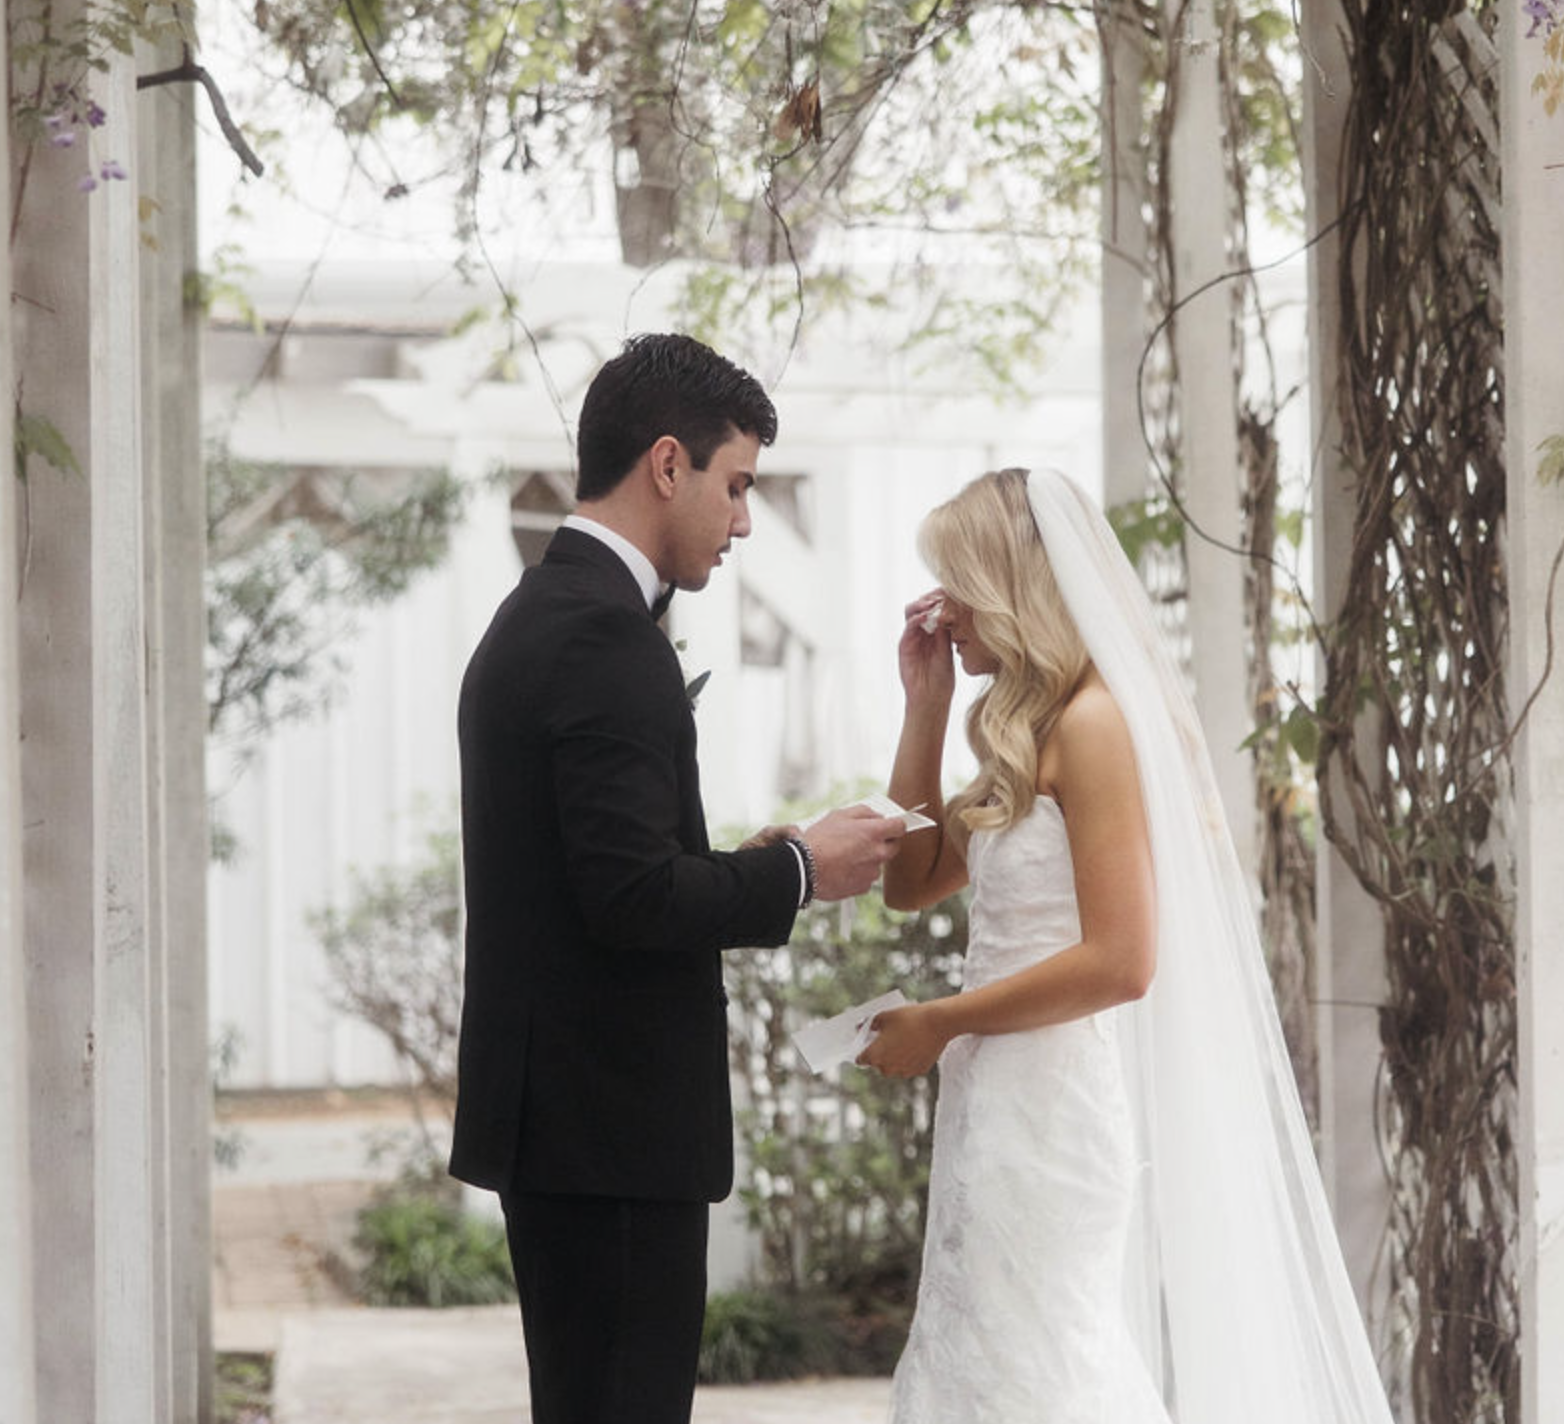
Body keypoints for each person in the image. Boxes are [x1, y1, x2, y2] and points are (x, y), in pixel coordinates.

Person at [859, 468, 1395, 1424]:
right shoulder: (1026, 723)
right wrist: (926, 705)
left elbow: (1123, 960)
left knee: (1039, 1368)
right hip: (992, 1104)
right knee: (977, 1359)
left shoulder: (1096, 724)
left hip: (1051, 1115)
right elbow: (909, 881)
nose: (943, 612)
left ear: (1006, 582)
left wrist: (941, 1020)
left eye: (956, 584)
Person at [449, 332, 906, 1424]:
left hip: (567, 1125)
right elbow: (632, 900)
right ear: (668, 464)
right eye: (736, 485)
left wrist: (735, 867)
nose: (744, 520)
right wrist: (803, 870)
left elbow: (597, 872)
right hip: (608, 1132)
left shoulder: (544, 614)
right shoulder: (604, 639)